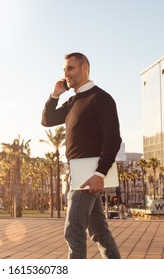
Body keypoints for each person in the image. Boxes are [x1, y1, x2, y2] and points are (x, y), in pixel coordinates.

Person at [41, 52, 122, 259]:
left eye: (70, 68)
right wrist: (55, 95)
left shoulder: (101, 98)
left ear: (84, 67)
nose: (66, 73)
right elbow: (47, 120)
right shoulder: (73, 101)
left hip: (89, 175)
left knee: (74, 230)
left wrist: (99, 174)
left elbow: (113, 140)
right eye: (64, 69)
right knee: (99, 232)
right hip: (77, 173)